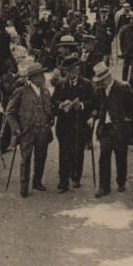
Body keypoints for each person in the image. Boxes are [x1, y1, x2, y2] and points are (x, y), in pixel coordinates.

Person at [6, 60, 53, 197]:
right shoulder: (21, 92)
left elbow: (49, 110)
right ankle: (24, 186)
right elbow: (9, 112)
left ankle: (37, 182)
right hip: (26, 131)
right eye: (40, 75)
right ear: (33, 78)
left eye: (43, 75)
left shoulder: (45, 92)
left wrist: (50, 121)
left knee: (41, 157)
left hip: (43, 130)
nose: (43, 78)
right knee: (25, 159)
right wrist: (15, 128)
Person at [91, 61, 133, 198]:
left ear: (108, 77)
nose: (100, 83)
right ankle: (103, 186)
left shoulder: (123, 87)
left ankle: (121, 182)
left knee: (120, 156)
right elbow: (97, 106)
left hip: (119, 128)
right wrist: (94, 115)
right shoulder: (99, 90)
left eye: (102, 80)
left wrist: (127, 120)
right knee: (104, 157)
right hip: (105, 128)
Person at [51, 54, 95, 192]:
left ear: (78, 69)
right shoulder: (61, 84)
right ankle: (63, 182)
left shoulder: (86, 84)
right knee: (64, 152)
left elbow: (93, 102)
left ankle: (76, 177)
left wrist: (81, 105)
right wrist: (61, 104)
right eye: (68, 70)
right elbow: (54, 100)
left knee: (78, 151)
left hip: (79, 124)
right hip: (64, 124)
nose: (71, 73)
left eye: (73, 69)